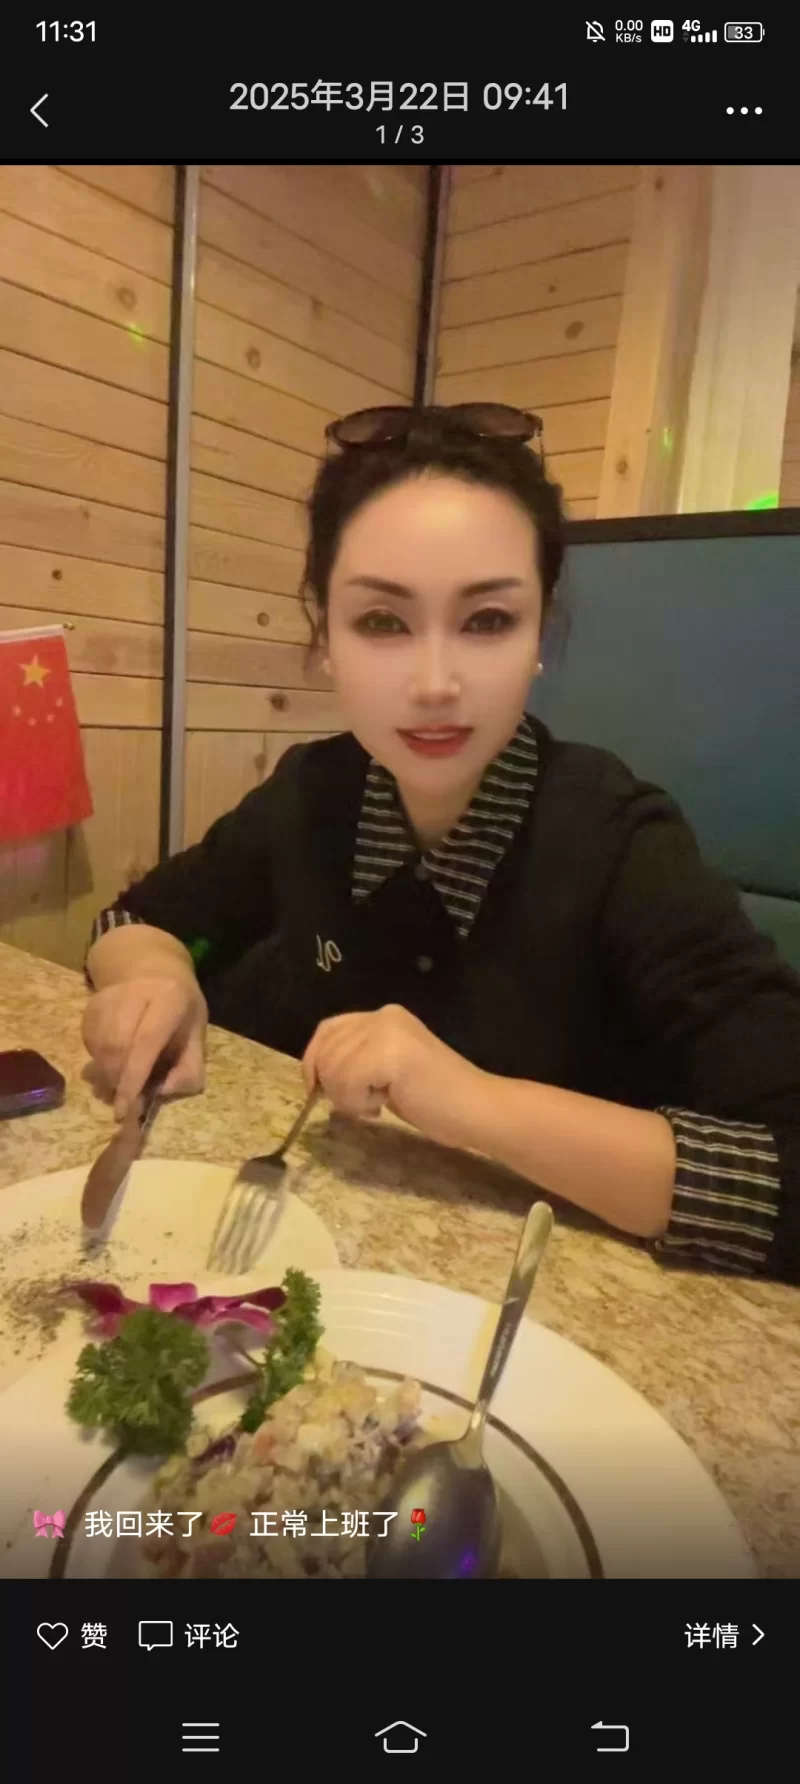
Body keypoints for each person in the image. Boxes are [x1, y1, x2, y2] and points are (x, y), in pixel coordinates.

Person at [83, 402, 800, 1284]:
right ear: (325, 637)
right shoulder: (314, 791)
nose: (434, 684)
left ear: (540, 635)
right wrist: (152, 978)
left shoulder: (619, 840)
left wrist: (475, 1104)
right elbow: (138, 918)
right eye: (383, 623)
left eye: (487, 620)